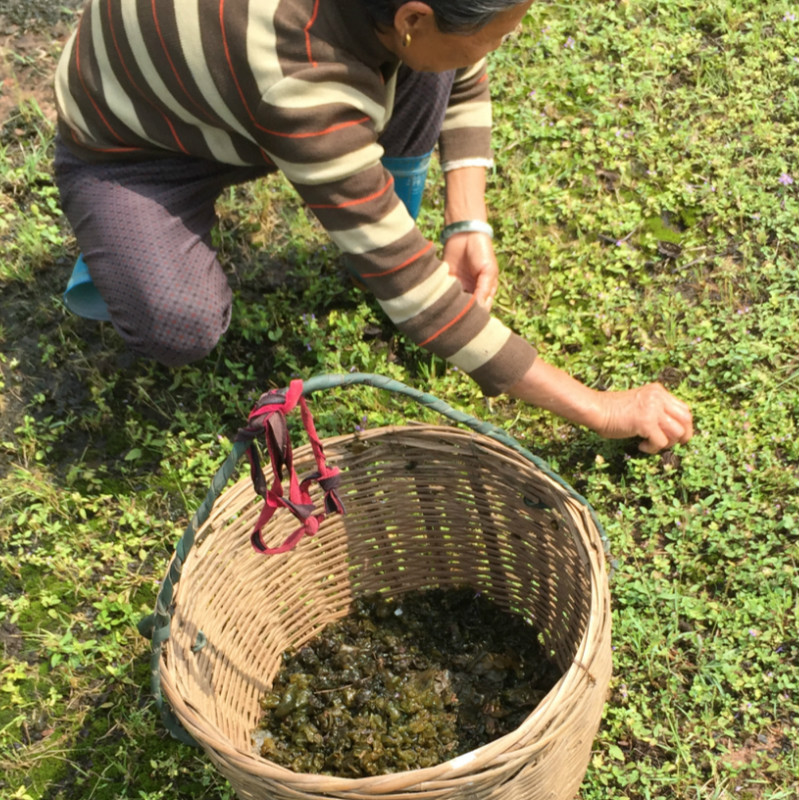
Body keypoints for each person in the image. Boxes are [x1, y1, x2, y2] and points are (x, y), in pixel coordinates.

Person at [52, 0, 693, 454]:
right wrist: (597, 406)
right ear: (413, 17)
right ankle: (117, 235)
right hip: (139, 145)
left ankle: (375, 215)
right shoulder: (302, 83)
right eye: (497, 36)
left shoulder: (401, 19)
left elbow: (455, 59)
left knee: (425, 63)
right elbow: (421, 301)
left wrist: (468, 219)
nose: (499, 47)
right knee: (177, 322)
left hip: (228, 88)